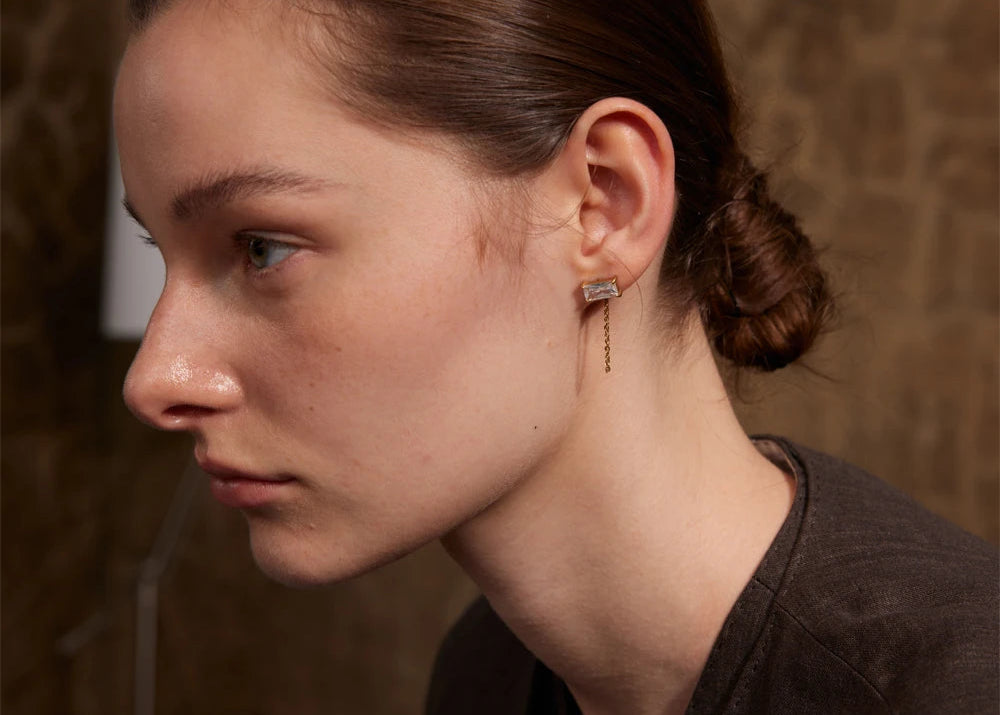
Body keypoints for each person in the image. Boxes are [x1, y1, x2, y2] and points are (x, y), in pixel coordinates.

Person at [115, 1, 998, 713]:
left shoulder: (956, 686)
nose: (154, 378)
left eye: (262, 246)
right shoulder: (486, 671)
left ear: (603, 206)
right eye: (159, 250)